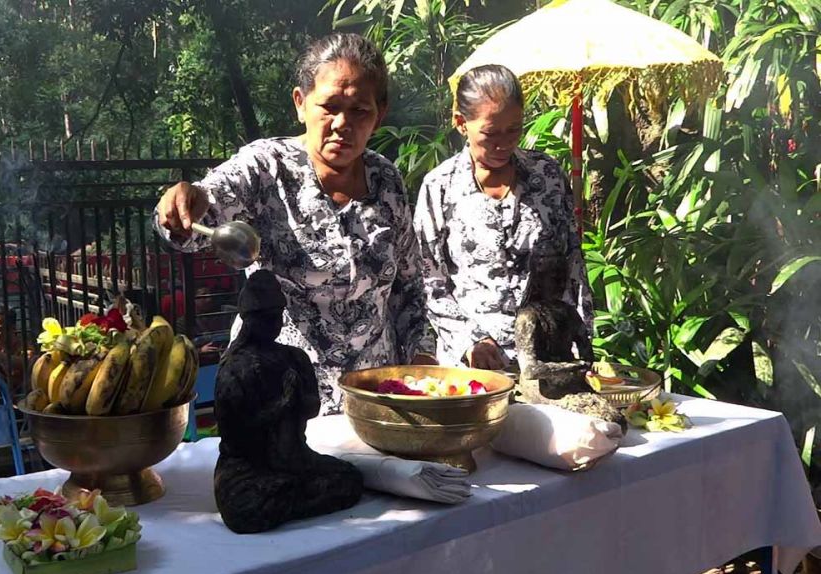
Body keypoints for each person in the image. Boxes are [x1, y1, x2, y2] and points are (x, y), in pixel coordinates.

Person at [156, 33, 435, 414]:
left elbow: (408, 286)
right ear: (301, 104)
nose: (342, 123)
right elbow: (200, 215)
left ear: (379, 114)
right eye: (329, 106)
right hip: (279, 403)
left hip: (373, 401)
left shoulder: (386, 180)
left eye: (359, 111)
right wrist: (185, 202)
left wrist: (422, 358)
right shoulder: (266, 167)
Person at [413, 64, 594, 370]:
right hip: (475, 367)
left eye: (513, 130)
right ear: (461, 123)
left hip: (549, 356)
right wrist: (470, 341)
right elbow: (428, 281)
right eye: (490, 133)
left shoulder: (547, 175)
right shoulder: (440, 186)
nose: (503, 144)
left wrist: (582, 335)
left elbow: (573, 264)